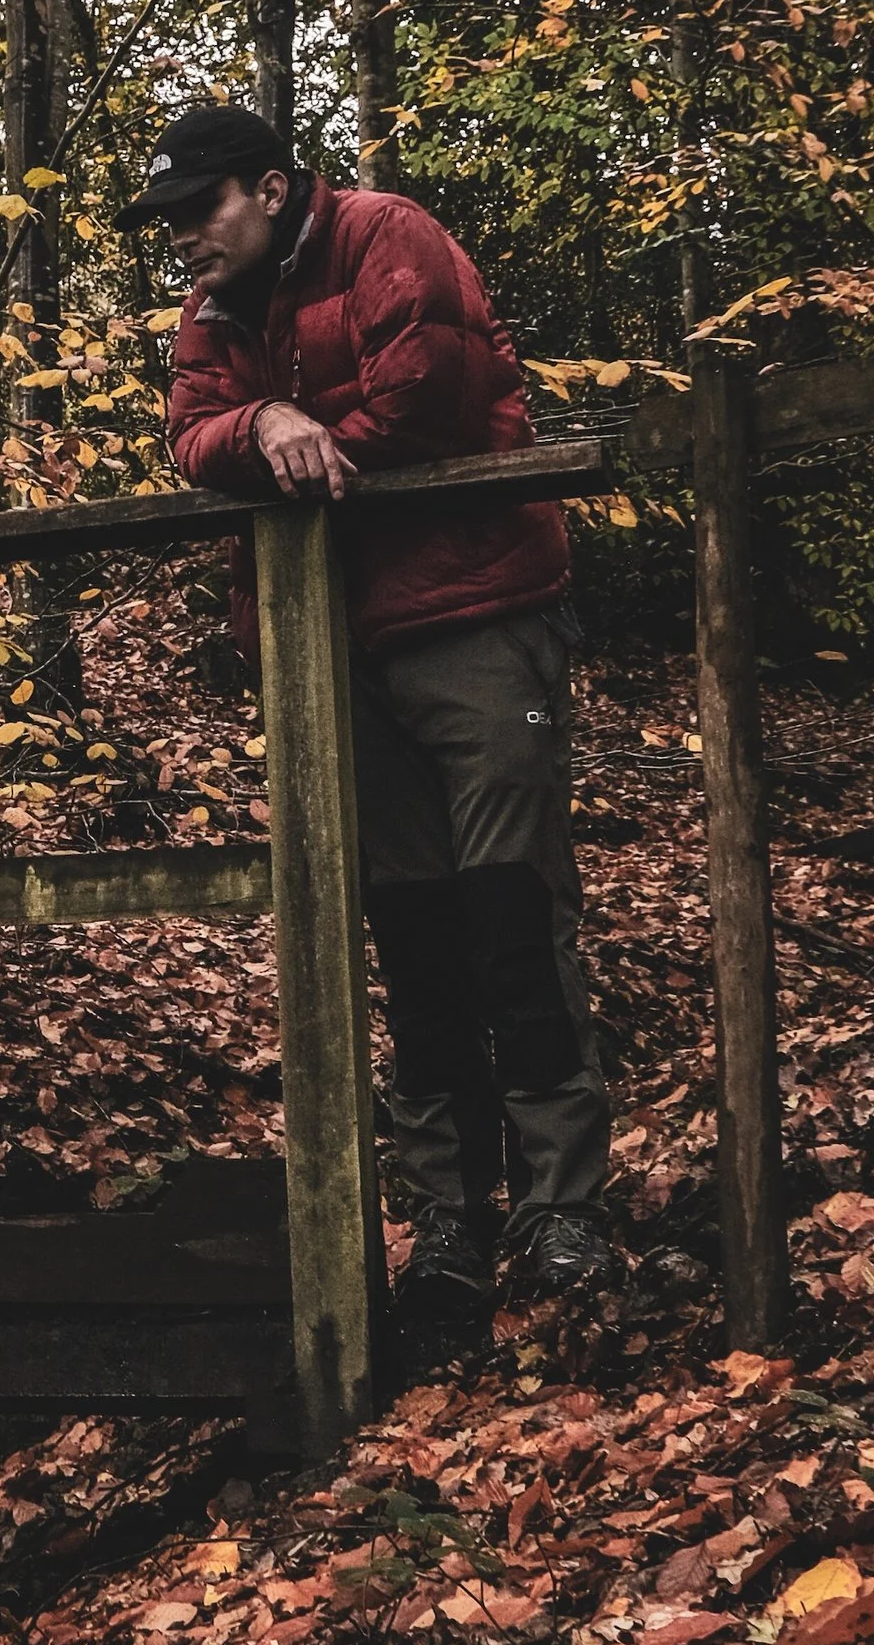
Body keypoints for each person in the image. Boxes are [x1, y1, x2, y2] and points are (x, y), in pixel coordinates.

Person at [131, 96, 612, 1340]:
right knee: (410, 929)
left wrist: (302, 445)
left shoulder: (388, 232)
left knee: (513, 909)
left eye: (200, 207)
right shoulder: (210, 314)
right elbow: (188, 438)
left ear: (273, 189)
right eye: (170, 217)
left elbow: (428, 393)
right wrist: (265, 422)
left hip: (476, 612)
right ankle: (449, 1209)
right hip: (336, 645)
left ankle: (560, 1205)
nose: (183, 235)